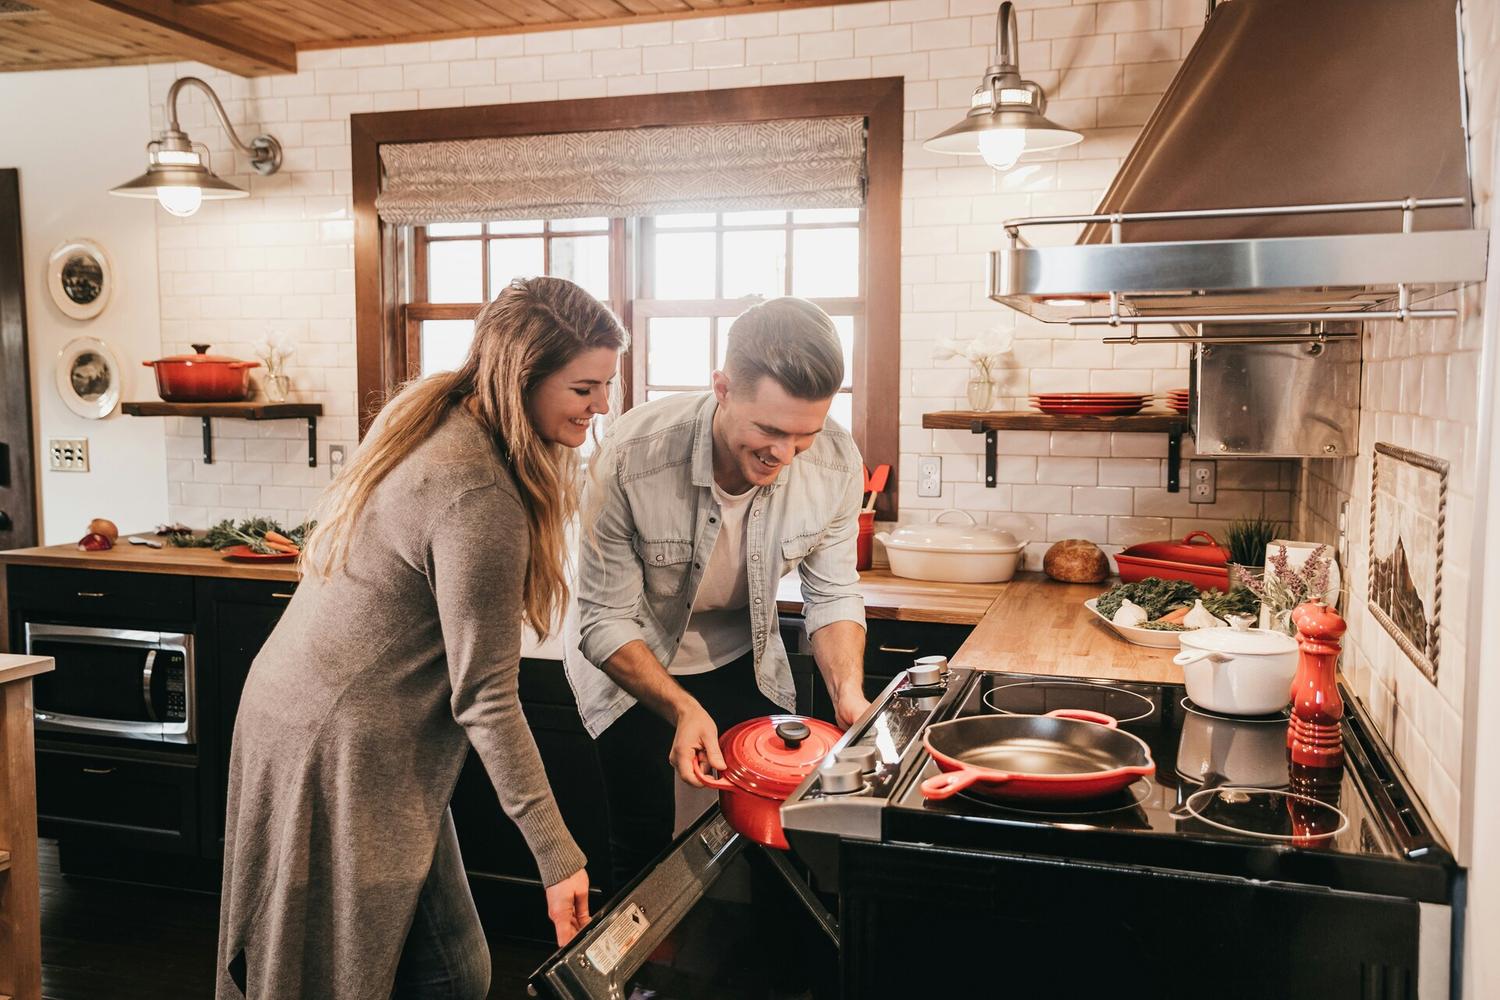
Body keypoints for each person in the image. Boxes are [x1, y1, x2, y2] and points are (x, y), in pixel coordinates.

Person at [216, 276, 627, 1000]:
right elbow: (488, 699)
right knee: (434, 971)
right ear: (520, 376)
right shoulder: (478, 492)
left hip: (301, 711)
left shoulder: (435, 416)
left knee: (436, 962)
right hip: (342, 740)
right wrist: (559, 857)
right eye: (585, 388)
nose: (601, 407)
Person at [565, 296, 869, 888]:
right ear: (723, 388)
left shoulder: (834, 460)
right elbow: (603, 619)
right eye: (769, 429)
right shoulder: (631, 456)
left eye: (803, 435)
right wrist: (681, 707)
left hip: (747, 659)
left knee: (778, 845)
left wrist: (849, 692)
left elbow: (832, 593)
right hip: (635, 665)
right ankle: (641, 980)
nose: (783, 454)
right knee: (645, 848)